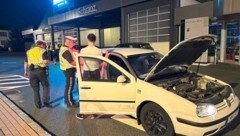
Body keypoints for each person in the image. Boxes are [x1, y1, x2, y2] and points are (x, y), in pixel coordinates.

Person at [24, 40, 56, 109]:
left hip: (31, 71)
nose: (45, 46)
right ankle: (45, 102)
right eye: (44, 45)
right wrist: (52, 62)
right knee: (46, 86)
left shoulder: (29, 51)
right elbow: (45, 61)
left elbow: (26, 62)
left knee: (35, 89)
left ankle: (38, 105)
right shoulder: (42, 50)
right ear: (41, 45)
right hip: (41, 71)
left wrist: (25, 71)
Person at [59, 36, 78, 107]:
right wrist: (80, 63)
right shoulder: (66, 50)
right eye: (73, 42)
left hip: (67, 70)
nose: (74, 44)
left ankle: (67, 99)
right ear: (68, 41)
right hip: (69, 70)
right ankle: (70, 102)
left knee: (68, 85)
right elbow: (72, 62)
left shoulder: (64, 48)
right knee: (70, 86)